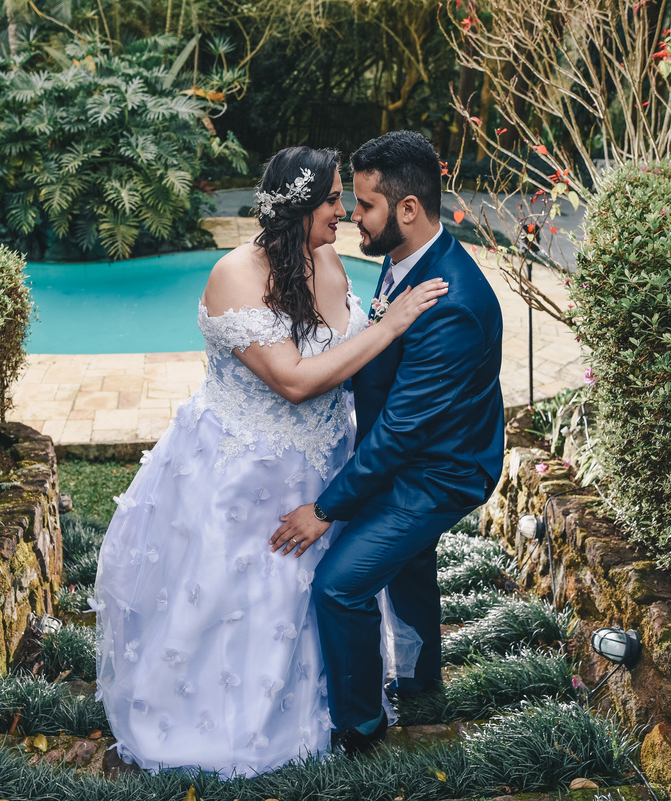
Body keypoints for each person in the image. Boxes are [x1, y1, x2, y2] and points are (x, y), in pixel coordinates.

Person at [92, 145, 449, 777]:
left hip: (323, 463)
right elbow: (293, 380)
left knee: (320, 587)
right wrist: (388, 328)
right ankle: (227, 718)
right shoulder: (235, 276)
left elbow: (345, 365)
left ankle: (338, 705)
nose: (342, 213)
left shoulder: (330, 262)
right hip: (242, 470)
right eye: (334, 200)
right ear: (300, 206)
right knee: (239, 590)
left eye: (346, 200)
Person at [272, 131, 506, 756]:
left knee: (339, 587)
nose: (352, 214)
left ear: (407, 209)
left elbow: (404, 432)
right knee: (408, 562)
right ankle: (420, 680)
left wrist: (324, 511)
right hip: (407, 452)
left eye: (365, 204)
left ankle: (361, 729)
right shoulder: (406, 261)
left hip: (440, 472)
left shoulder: (450, 300)